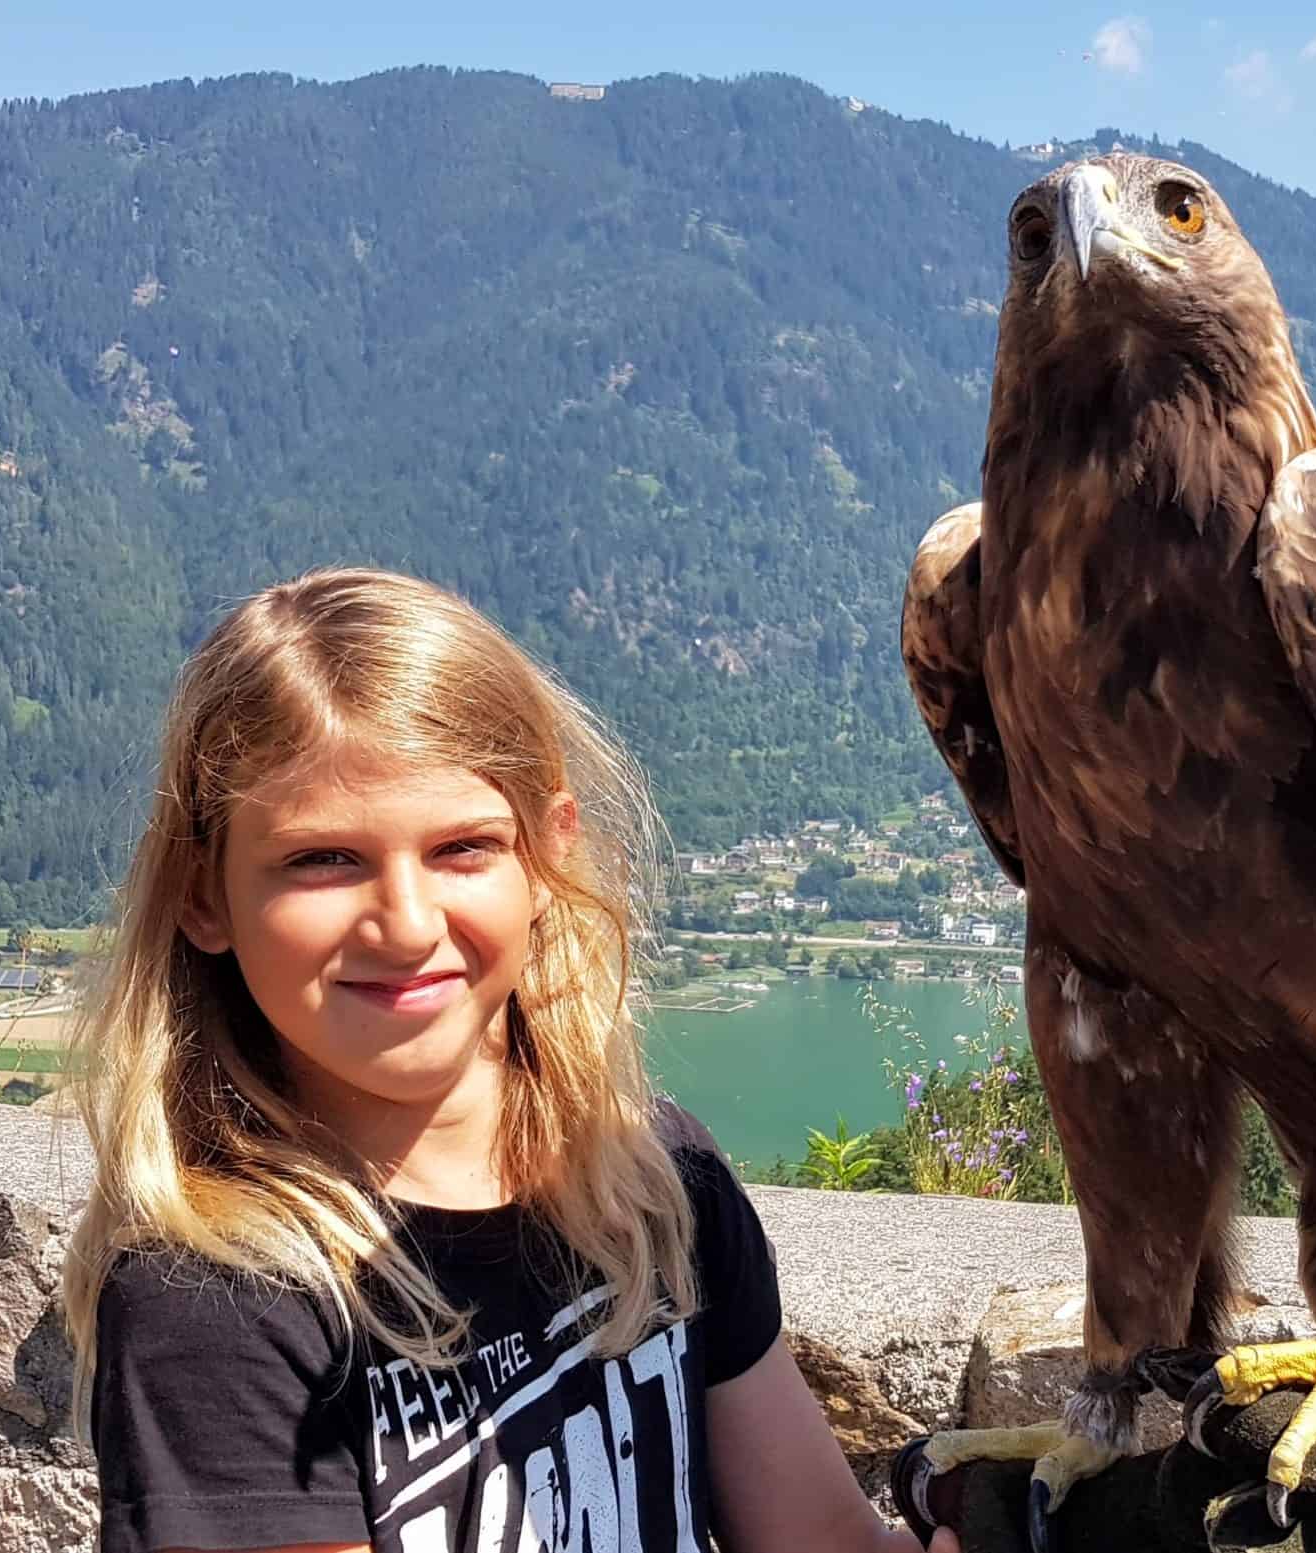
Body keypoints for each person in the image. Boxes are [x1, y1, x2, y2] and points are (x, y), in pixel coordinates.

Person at [58, 565, 961, 1553]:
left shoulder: (658, 1186)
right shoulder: (218, 1303)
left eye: (461, 848)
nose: (404, 924)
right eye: (323, 858)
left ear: (545, 859)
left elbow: (823, 1542)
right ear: (203, 895)